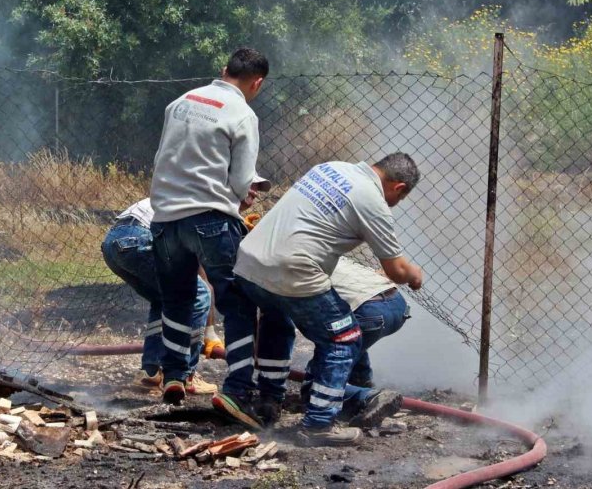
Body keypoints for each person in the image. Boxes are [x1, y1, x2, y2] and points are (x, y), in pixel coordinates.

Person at [227, 154, 424, 446]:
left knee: (275, 315)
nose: (396, 203)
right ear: (399, 187)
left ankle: (269, 399)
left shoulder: (330, 168)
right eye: (401, 198)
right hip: (292, 269)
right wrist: (415, 275)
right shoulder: (373, 201)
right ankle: (319, 423)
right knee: (344, 337)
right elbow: (395, 271)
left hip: (248, 262)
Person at [149, 47, 268, 406]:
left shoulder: (180, 102)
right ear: (257, 83)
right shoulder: (242, 114)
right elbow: (242, 179)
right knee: (237, 303)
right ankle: (237, 388)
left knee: (176, 300)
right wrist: (245, 195)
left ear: (223, 69)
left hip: (166, 219)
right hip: (211, 220)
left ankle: (173, 376)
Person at [101, 198, 216, 394]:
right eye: (251, 188)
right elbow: (198, 264)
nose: (253, 194)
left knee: (163, 298)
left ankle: (151, 372)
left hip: (113, 243)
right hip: (140, 238)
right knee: (199, 294)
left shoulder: (186, 189)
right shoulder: (212, 201)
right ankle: (187, 375)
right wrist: (210, 331)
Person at [331, 257, 411, 388]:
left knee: (323, 372)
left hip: (371, 314)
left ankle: (367, 396)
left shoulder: (297, 268)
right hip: (399, 305)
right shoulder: (336, 256)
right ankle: (361, 381)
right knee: (354, 338)